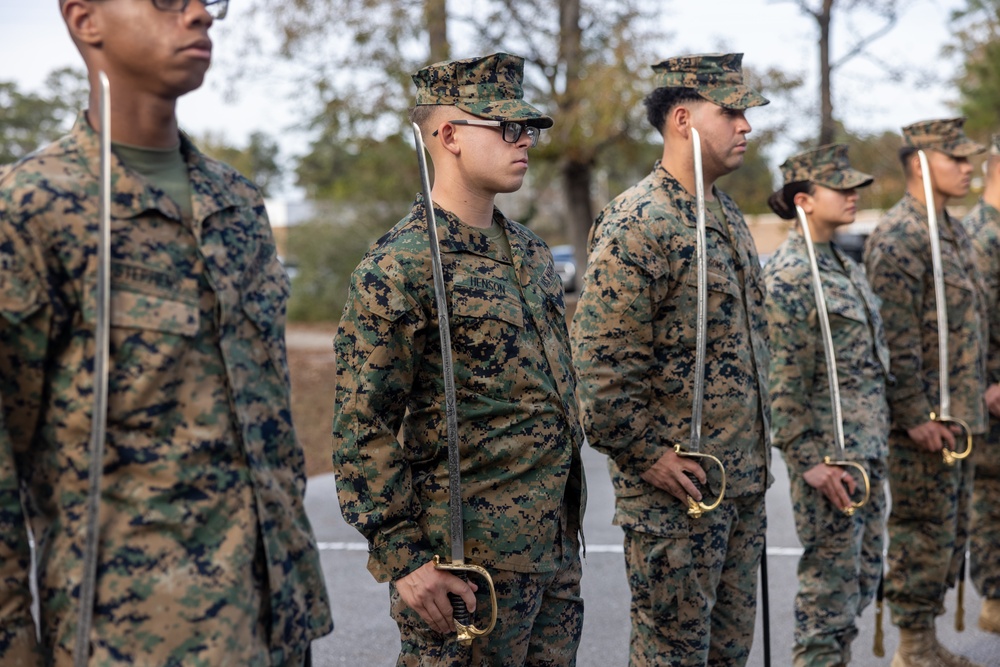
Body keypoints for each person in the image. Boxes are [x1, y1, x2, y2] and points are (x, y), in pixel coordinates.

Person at [0, 0, 333, 664]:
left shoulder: (236, 205)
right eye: (166, 0)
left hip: (276, 628)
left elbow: (269, 426)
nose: (200, 16)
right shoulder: (35, 209)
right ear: (85, 19)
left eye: (208, 0)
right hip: (130, 640)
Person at [332, 53, 586, 666]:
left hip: (551, 549)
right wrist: (405, 559)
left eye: (528, 128)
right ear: (447, 135)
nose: (524, 140)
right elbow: (360, 424)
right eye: (506, 127)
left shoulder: (528, 252)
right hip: (467, 568)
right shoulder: (403, 265)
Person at [571, 53, 771, 666]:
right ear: (683, 119)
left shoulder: (728, 216)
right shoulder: (641, 221)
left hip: (737, 486)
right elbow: (599, 369)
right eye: (731, 112)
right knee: (673, 658)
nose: (746, 126)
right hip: (677, 500)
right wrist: (646, 455)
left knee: (726, 655)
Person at [864, 118, 987, 667]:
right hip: (926, 423)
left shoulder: (951, 229)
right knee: (920, 532)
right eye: (955, 159)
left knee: (951, 530)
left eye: (968, 159)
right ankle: (911, 646)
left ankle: (926, 640)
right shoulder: (900, 235)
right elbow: (894, 335)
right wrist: (914, 414)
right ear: (918, 164)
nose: (968, 168)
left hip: (958, 416)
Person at [764, 145, 891, 667]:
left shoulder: (842, 263)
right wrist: (809, 461)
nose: (853, 195)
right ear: (805, 200)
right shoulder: (791, 276)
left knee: (860, 580)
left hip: (866, 449)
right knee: (828, 595)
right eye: (841, 188)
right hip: (831, 459)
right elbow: (783, 380)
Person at [960, 134, 1000, 637]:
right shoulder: (979, 235)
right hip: (991, 393)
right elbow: (976, 319)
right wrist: (990, 378)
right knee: (991, 495)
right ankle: (995, 596)